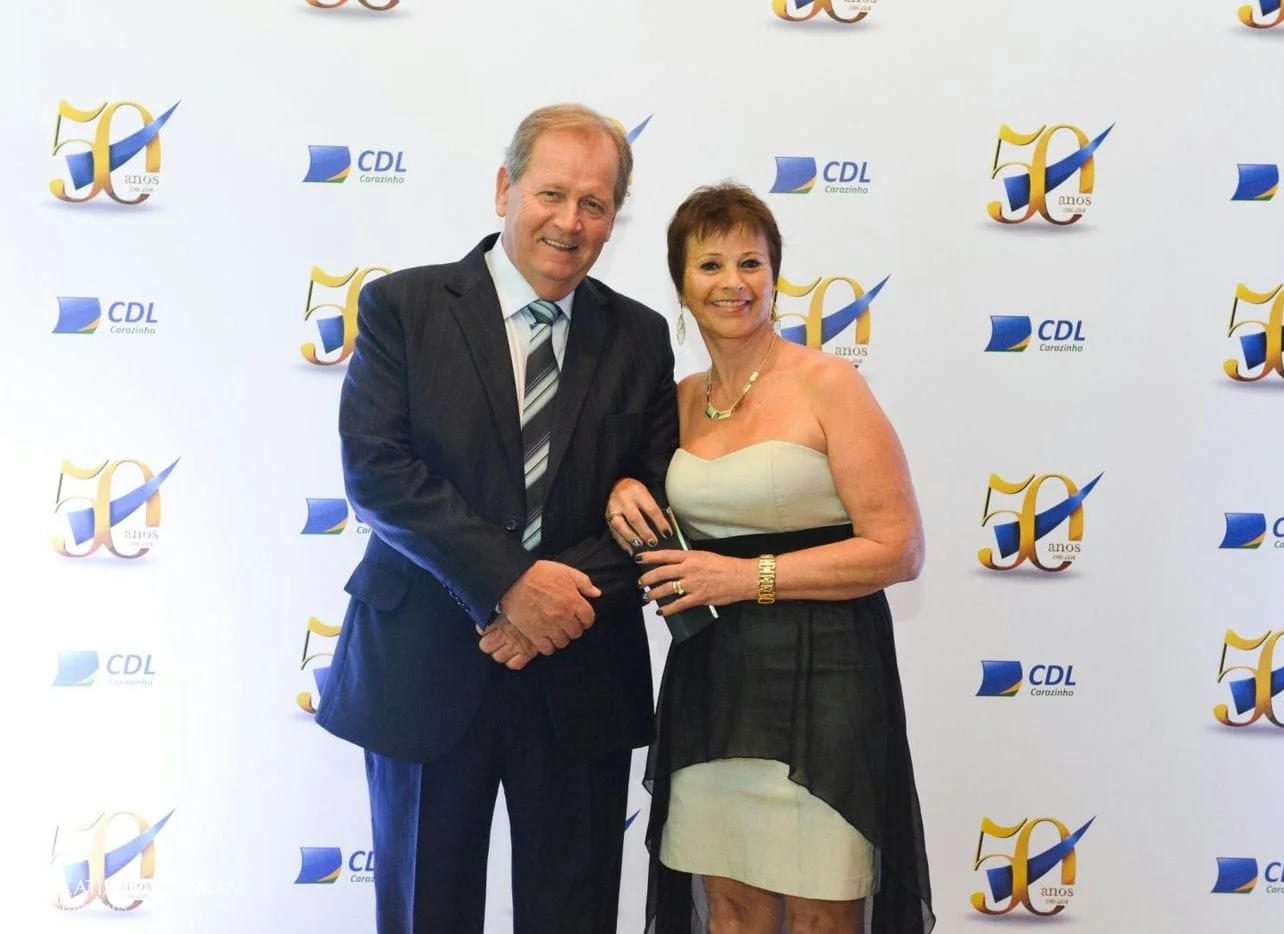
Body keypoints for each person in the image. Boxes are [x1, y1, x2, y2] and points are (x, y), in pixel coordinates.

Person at [314, 103, 679, 934]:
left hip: (580, 676)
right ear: (505, 188)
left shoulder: (641, 336)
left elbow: (662, 501)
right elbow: (378, 472)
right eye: (552, 193)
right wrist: (511, 586)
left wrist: (555, 601)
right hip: (426, 667)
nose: (570, 221)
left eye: (594, 203)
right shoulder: (403, 306)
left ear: (614, 217)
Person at [605, 183, 934, 934]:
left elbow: (899, 547)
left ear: (775, 276)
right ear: (681, 285)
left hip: (829, 682)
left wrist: (744, 577)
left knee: (823, 911)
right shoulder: (678, 401)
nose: (733, 282)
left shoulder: (829, 383)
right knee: (731, 908)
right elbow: (640, 492)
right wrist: (624, 486)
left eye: (750, 262)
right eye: (710, 264)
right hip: (712, 683)